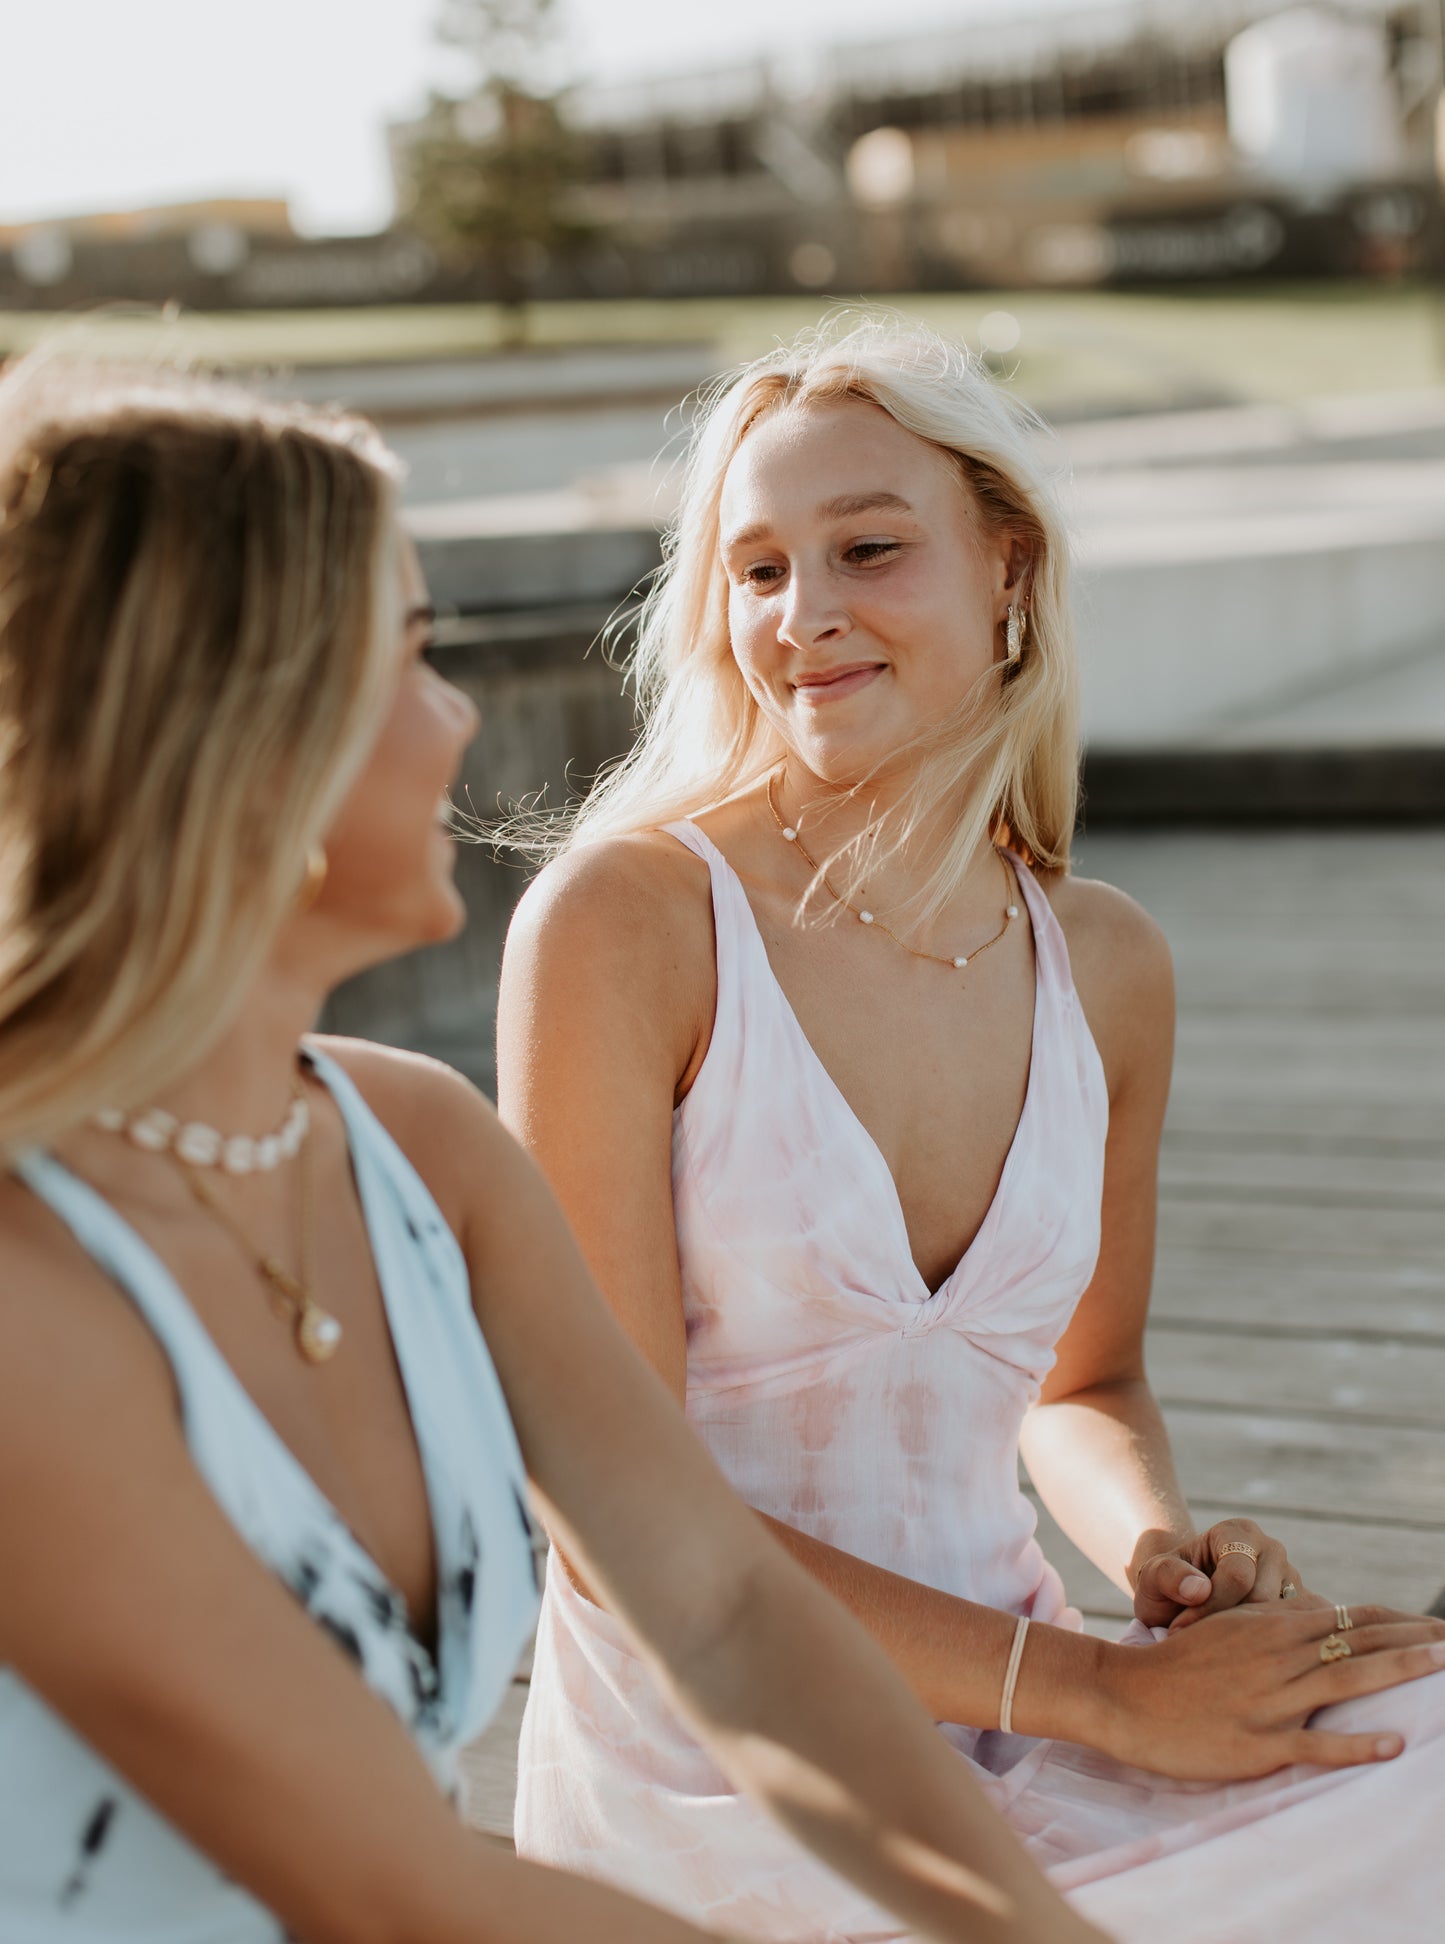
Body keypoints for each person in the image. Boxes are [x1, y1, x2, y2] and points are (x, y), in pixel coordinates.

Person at [0, 352, 1110, 1944]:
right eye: (413, 654)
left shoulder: (421, 1146)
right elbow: (392, 1887)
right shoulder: (24, 1276)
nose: (461, 719)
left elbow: (723, 1609)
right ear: (237, 730)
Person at [498, 312, 1445, 1943]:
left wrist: (1160, 1558)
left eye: (868, 549)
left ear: (1008, 567)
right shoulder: (630, 922)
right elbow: (614, 1531)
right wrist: (1102, 1692)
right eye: (757, 570)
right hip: (731, 1772)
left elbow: (1083, 1382)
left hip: (1038, 1709)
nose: (803, 617)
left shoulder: (1106, 961)